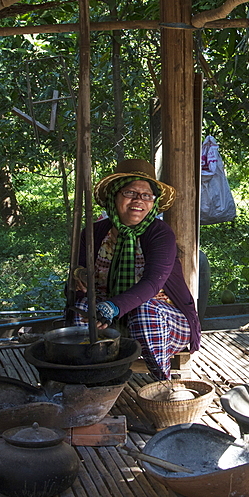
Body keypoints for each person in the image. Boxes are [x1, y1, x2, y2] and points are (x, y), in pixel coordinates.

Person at [75, 159, 200, 380]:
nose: (138, 201)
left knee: (144, 312)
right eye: (130, 193)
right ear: (114, 196)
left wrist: (114, 307)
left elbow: (152, 283)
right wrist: (78, 280)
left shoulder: (160, 234)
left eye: (146, 196)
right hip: (106, 316)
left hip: (165, 320)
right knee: (80, 310)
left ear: (153, 202)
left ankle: (163, 383)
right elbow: (80, 279)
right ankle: (90, 378)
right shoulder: (93, 234)